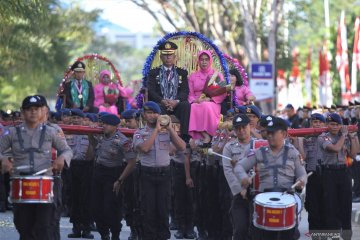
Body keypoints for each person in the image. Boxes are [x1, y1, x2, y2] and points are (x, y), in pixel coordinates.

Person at [0, 95, 73, 240]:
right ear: (22, 112)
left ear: (42, 111)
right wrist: (3, 160)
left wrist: (62, 158)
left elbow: (67, 150)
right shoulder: (11, 132)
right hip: (21, 184)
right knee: (24, 228)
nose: (33, 112)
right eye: (29, 109)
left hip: (45, 185)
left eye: (36, 109)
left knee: (45, 227)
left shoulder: (51, 132)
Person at [234, 117, 307, 240]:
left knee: (289, 235)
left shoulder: (293, 152)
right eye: (268, 133)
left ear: (284, 134)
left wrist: (302, 181)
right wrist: (244, 177)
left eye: (273, 133)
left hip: (286, 197)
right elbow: (239, 166)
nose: (269, 136)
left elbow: (302, 174)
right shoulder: (259, 152)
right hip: (263, 198)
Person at [133, 101, 185, 240]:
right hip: (147, 174)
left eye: (155, 113)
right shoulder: (140, 132)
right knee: (148, 211)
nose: (152, 116)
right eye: (149, 113)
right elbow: (144, 148)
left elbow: (182, 147)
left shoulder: (167, 131)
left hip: (164, 174)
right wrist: (156, 130)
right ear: (144, 115)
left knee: (163, 210)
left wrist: (169, 129)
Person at [90, 113, 137, 240]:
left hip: (113, 174)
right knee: (95, 206)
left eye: (106, 124)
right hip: (99, 172)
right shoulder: (100, 136)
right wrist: (90, 135)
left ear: (115, 126)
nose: (103, 126)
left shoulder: (123, 141)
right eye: (102, 123)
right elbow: (96, 148)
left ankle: (115, 234)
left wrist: (120, 180)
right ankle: (103, 233)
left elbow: (132, 162)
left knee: (111, 207)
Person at [317, 113, 359, 240]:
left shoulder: (344, 136)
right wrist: (344, 135)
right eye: (332, 124)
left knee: (346, 205)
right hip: (329, 173)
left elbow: (353, 154)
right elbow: (335, 148)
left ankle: (347, 235)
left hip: (343, 172)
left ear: (341, 125)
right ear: (327, 125)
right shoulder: (323, 137)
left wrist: (353, 138)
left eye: (337, 124)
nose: (334, 127)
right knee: (331, 207)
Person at [147, 41, 191, 142]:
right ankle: (162, 136)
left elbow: (185, 91)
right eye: (165, 55)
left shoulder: (182, 72)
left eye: (170, 55)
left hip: (176, 104)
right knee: (157, 106)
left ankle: (184, 137)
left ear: (174, 56)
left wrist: (176, 101)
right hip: (161, 103)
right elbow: (151, 91)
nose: (168, 57)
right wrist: (162, 100)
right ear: (161, 57)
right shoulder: (154, 72)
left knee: (186, 105)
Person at [222, 114, 255, 240]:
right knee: (240, 229)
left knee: (256, 229)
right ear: (234, 130)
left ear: (249, 126)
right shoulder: (229, 147)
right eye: (238, 128)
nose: (241, 130)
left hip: (256, 193)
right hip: (239, 194)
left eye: (243, 127)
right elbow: (228, 172)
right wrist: (239, 190)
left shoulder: (258, 145)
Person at [65, 109, 95, 239]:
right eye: (74, 118)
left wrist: (89, 135)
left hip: (86, 167)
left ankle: (87, 228)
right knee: (73, 197)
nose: (76, 120)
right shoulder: (66, 132)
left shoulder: (89, 132)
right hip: (72, 166)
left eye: (79, 118)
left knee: (87, 198)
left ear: (83, 119)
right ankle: (76, 227)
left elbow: (91, 155)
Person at [188, 50, 228, 145]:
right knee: (193, 107)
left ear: (210, 61)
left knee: (206, 105)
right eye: (201, 59)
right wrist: (196, 100)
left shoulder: (217, 75)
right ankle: (200, 135)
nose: (204, 62)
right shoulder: (192, 76)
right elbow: (189, 93)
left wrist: (210, 99)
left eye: (206, 59)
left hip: (213, 102)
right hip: (197, 101)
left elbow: (223, 92)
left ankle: (209, 135)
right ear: (198, 61)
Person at [120, 109, 141, 240]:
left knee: (140, 201)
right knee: (129, 201)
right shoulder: (123, 135)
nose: (127, 124)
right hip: (127, 169)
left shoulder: (143, 133)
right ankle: (133, 229)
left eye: (129, 121)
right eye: (125, 121)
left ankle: (141, 229)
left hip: (141, 169)